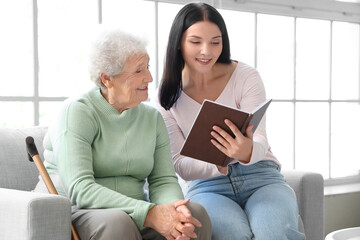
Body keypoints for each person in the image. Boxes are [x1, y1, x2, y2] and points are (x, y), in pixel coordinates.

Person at [34, 28, 212, 240]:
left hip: (135, 211)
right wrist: (149, 213)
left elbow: (163, 179)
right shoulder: (77, 112)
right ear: (107, 78)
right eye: (138, 71)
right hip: (79, 210)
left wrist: (176, 213)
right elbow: (80, 189)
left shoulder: (152, 118)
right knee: (118, 223)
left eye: (147, 66)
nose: (150, 77)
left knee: (195, 216)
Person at [153, 3, 305, 240]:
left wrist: (247, 151)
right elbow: (179, 163)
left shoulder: (245, 76)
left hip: (261, 175)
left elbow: (261, 136)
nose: (207, 51)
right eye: (195, 42)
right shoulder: (166, 96)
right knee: (233, 234)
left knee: (273, 233)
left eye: (215, 41)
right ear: (178, 43)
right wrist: (217, 164)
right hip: (207, 186)